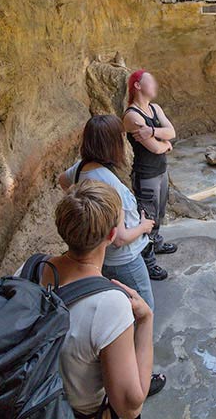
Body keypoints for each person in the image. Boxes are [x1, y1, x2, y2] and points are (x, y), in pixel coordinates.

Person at [25, 180, 155, 418]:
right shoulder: (109, 305)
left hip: (25, 401)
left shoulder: (31, 268)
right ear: (112, 234)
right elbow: (129, 406)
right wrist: (146, 321)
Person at [58, 115, 156, 309]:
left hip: (100, 256)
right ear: (112, 144)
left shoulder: (81, 168)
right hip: (124, 261)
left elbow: (63, 180)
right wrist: (144, 227)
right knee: (143, 309)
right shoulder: (109, 184)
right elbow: (119, 239)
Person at [123, 70, 177, 281]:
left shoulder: (155, 108)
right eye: (150, 82)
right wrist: (165, 144)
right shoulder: (132, 116)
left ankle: (156, 243)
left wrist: (153, 132)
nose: (154, 85)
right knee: (147, 216)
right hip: (146, 174)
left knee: (159, 211)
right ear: (137, 85)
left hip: (161, 172)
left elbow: (171, 132)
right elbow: (155, 149)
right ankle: (148, 262)